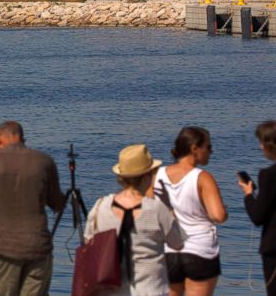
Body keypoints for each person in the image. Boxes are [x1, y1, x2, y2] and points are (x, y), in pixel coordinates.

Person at [0, 121, 64, 296]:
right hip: (38, 246)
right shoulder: (44, 161)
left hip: (3, 247)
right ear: (22, 139)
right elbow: (58, 204)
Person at [85, 144, 184, 295]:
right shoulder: (157, 210)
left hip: (110, 289)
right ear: (146, 176)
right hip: (150, 289)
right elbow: (177, 243)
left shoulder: (100, 206)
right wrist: (170, 209)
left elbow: (89, 243)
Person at [156, 127, 227, 295]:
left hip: (169, 250)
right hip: (199, 249)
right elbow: (218, 216)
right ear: (194, 148)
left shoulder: (157, 174)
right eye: (208, 147)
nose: (211, 151)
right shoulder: (202, 177)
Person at [240, 120, 276, 295]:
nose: (260, 147)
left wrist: (248, 194)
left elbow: (258, 216)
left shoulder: (268, 176)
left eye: (262, 143)